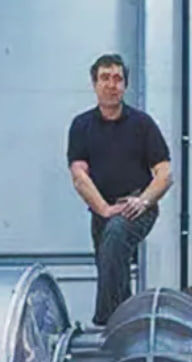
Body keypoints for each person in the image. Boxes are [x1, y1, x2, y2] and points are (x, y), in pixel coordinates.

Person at [67, 53, 172, 325]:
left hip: (138, 205)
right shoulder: (81, 126)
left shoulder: (142, 124)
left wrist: (144, 201)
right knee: (110, 264)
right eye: (105, 78)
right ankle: (127, 322)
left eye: (118, 79)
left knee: (115, 235)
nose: (111, 85)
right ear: (94, 83)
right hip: (101, 209)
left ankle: (106, 321)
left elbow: (165, 174)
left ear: (125, 85)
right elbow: (79, 175)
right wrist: (103, 209)